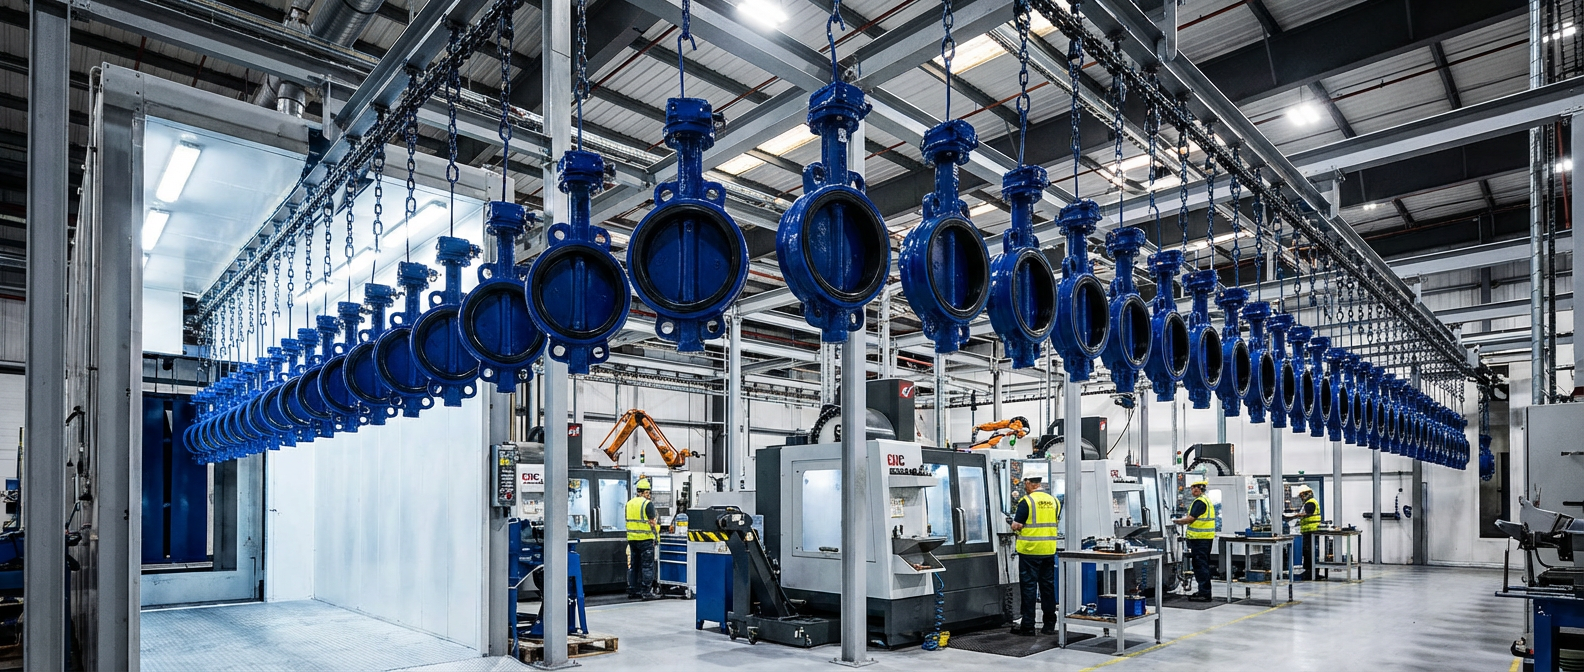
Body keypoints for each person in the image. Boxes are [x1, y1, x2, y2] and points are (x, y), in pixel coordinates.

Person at [1010, 476, 1060, 635]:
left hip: (1030, 551)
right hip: (1048, 551)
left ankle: (1028, 626)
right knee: (1047, 588)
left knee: (1029, 588)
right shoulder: (1054, 501)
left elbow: (1017, 525)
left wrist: (1013, 525)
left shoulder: (1026, 501)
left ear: (1028, 483)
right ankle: (1049, 625)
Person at [1173, 479, 1217, 602]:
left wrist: (1175, 521)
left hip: (1200, 540)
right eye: (1193, 488)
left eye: (1196, 488)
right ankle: (1204, 591)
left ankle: (1204, 593)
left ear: (1201, 489)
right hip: (1204, 539)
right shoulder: (1205, 500)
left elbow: (1190, 519)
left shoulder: (1200, 502)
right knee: (1202, 565)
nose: (1194, 490)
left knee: (1200, 566)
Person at [625, 478, 658, 600]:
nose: (648, 495)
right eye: (648, 492)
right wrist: (657, 536)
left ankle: (633, 590)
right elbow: (652, 523)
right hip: (645, 539)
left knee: (634, 565)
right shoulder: (647, 504)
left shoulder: (629, 503)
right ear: (644, 492)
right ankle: (646, 592)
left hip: (632, 540)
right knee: (647, 566)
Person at [1284, 485, 1321, 581]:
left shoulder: (1311, 502)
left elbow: (1307, 513)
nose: (1301, 498)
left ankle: (1310, 572)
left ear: (1305, 494)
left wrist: (1294, 516)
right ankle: (1311, 571)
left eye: (1301, 496)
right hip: (1308, 531)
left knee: (1309, 552)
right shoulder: (1309, 502)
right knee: (1308, 552)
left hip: (1311, 531)